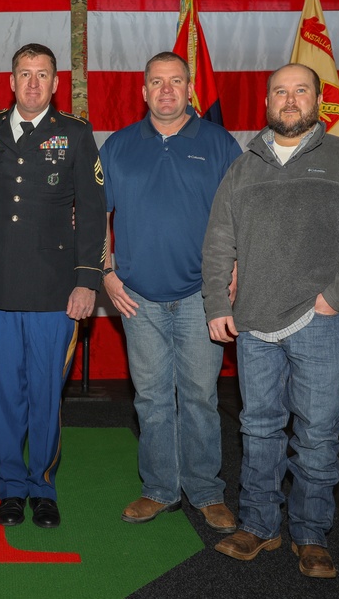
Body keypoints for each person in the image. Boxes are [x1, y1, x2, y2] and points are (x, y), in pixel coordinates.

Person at [202, 63, 339, 578]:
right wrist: (218, 306)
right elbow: (219, 241)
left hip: (321, 323)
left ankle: (311, 533)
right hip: (254, 325)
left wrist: (335, 297)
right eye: (280, 92)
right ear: (267, 102)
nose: (290, 100)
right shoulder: (242, 167)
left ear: (318, 100)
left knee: (317, 433)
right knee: (259, 428)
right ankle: (259, 526)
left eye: (300, 91)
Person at [100, 51, 241, 533]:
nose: (165, 90)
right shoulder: (118, 147)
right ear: (143, 91)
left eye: (175, 81)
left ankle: (205, 491)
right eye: (156, 82)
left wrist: (236, 269)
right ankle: (159, 488)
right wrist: (107, 274)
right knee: (152, 398)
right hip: (136, 297)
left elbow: (242, 213)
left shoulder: (220, 143)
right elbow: (99, 215)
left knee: (200, 396)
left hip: (203, 297)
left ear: (189, 88)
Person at [0, 42, 106, 529]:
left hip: (55, 288)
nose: (32, 83)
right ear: (11, 81)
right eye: (24, 74)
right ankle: (9, 487)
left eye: (42, 74)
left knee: (47, 392)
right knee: (5, 391)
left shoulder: (74, 133)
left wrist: (87, 280)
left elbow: (93, 212)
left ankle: (42, 486)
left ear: (55, 82)